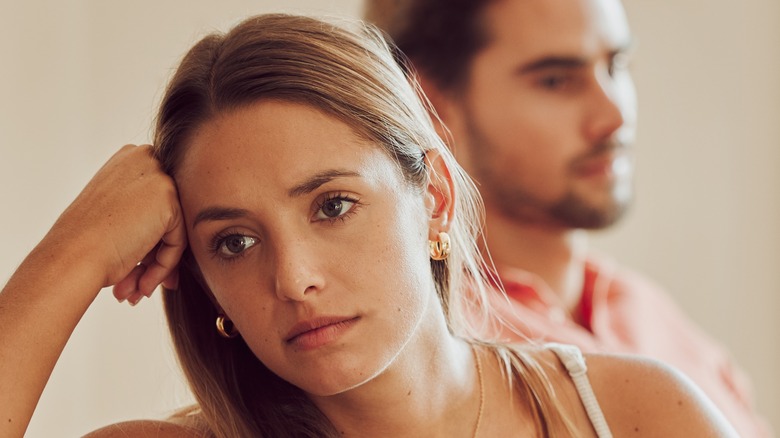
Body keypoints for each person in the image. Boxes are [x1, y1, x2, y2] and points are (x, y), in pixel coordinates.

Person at [0, 13, 737, 438]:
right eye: (234, 241)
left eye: (333, 206)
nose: (293, 278)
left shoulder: (635, 414)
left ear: (436, 200)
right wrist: (73, 254)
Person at [363, 0, 771, 436]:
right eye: (556, 80)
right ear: (431, 103)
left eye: (617, 65)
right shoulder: (428, 358)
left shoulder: (657, 318)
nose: (615, 117)